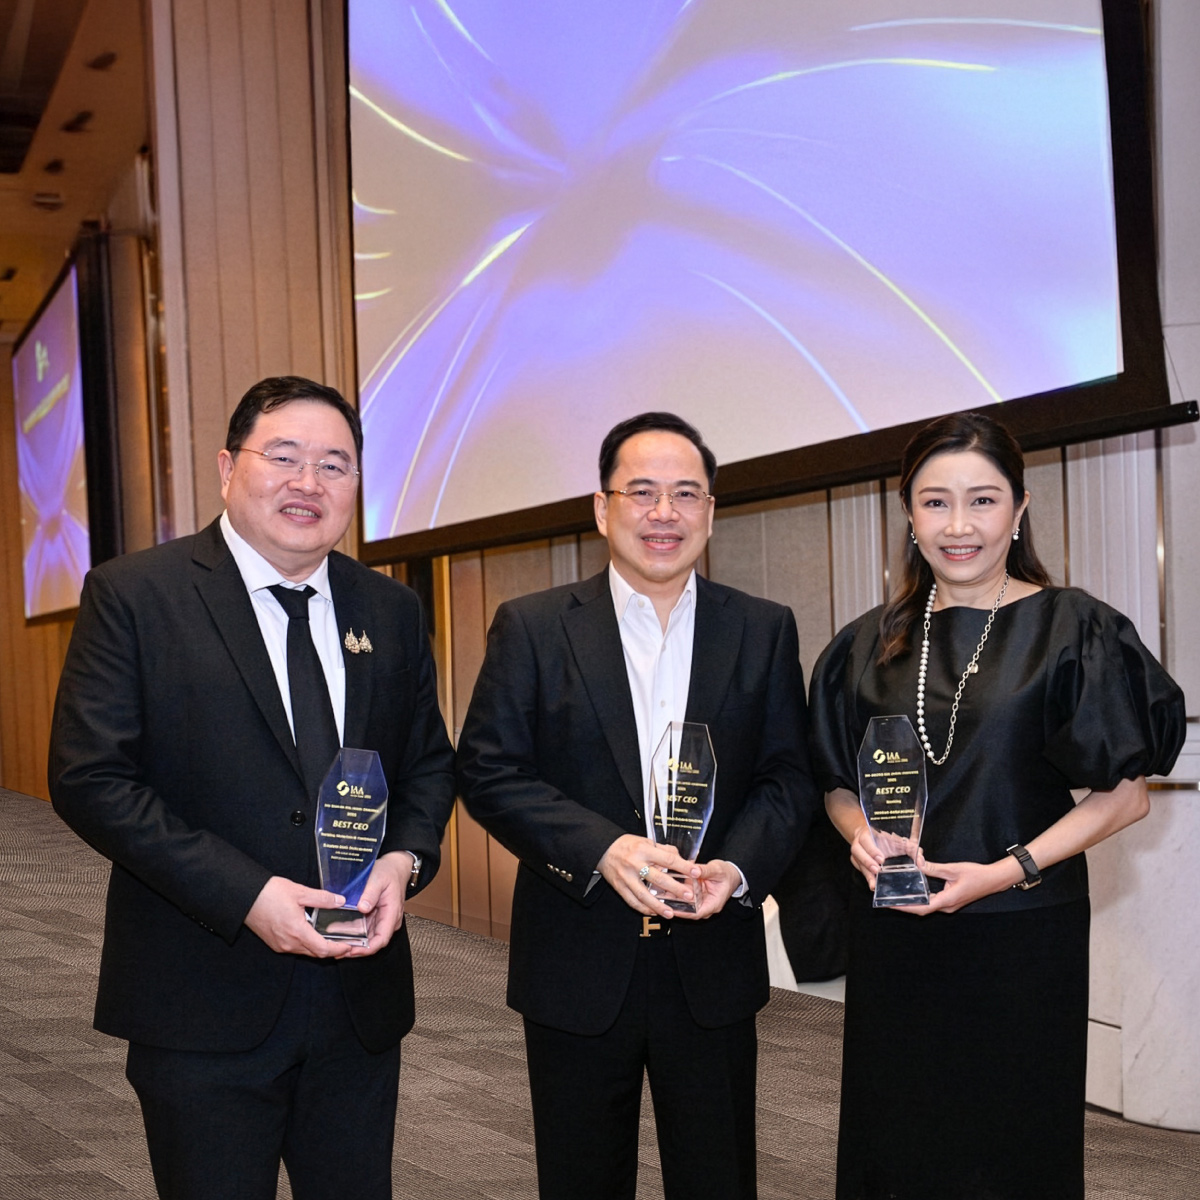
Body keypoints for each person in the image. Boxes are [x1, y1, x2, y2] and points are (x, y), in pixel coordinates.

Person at [49, 376, 455, 1200]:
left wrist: (405, 859)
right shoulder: (137, 595)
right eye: (285, 457)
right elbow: (92, 778)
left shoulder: (391, 609)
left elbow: (428, 766)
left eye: (334, 465)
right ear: (228, 468)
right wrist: (247, 895)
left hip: (357, 999)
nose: (309, 482)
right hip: (204, 992)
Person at [808, 411, 1186, 1200]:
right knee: (897, 1140)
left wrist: (1003, 871)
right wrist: (859, 836)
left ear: (1019, 507)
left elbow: (1126, 798)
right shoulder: (865, 643)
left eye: (982, 500)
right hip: (898, 932)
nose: (959, 525)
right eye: (935, 502)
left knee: (1015, 1146)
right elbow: (837, 782)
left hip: (1023, 933)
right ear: (909, 514)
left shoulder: (1074, 628)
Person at [456, 412, 818, 1200]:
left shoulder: (761, 629)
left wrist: (737, 869)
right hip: (578, 956)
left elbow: (789, 778)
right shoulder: (535, 627)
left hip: (710, 958)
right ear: (602, 507)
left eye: (686, 494)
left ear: (710, 512)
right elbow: (488, 771)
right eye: (642, 492)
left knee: (719, 1179)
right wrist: (602, 849)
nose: (664, 513)